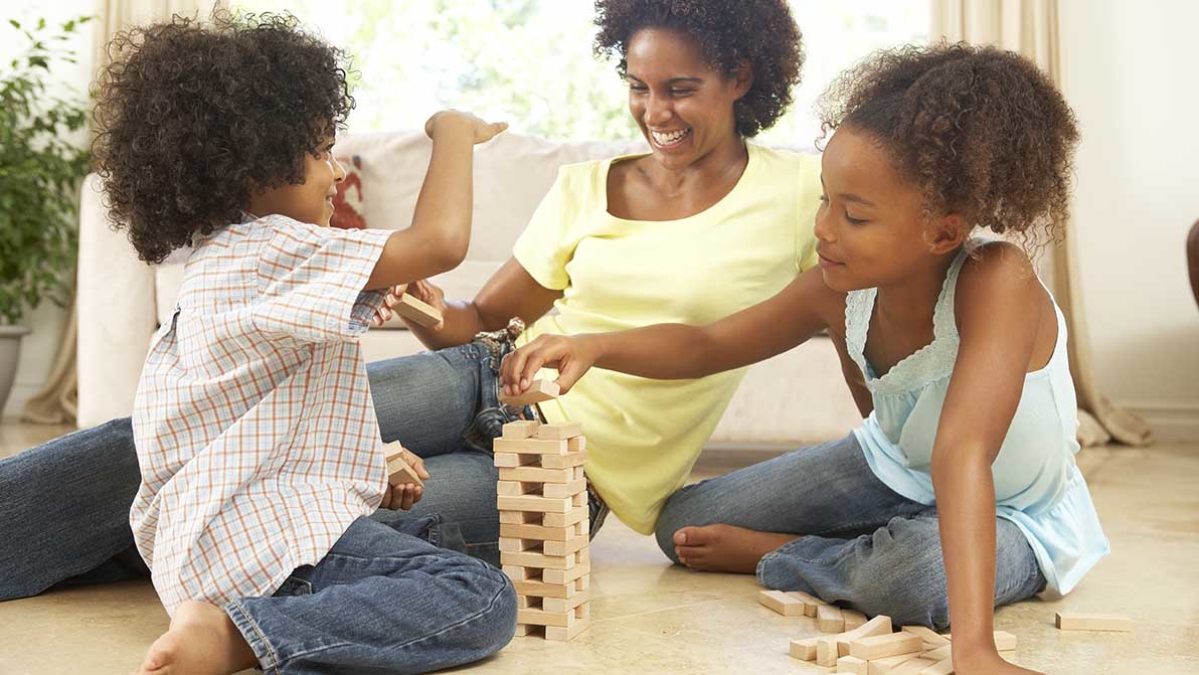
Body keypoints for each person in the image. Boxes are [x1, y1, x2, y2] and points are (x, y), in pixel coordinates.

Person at [0, 0, 818, 593]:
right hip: (474, 376)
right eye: (638, 86)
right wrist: (428, 314)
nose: (653, 112)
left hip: (570, 477)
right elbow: (474, 322)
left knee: (321, 532)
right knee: (178, 436)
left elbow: (847, 291)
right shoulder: (584, 187)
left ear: (740, 75)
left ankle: (126, 556)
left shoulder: (803, 193)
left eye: (677, 87)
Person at [501, 43, 1109, 675]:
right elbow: (708, 343)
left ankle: (796, 552)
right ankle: (859, 546)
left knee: (918, 574)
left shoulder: (996, 279)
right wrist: (596, 346)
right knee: (682, 524)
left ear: (943, 232)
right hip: (896, 469)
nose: (824, 228)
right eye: (825, 199)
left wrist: (974, 653)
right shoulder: (835, 284)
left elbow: (963, 451)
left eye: (854, 215)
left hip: (1018, 510)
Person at [89, 13, 514, 675]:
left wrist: (367, 471)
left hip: (215, 542)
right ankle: (241, 635)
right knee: (479, 593)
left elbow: (243, 434)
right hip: (259, 551)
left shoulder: (222, 263)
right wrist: (452, 129)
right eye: (320, 151)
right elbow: (441, 241)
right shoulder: (271, 249)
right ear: (253, 172)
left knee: (429, 537)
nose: (336, 171)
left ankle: (233, 615)